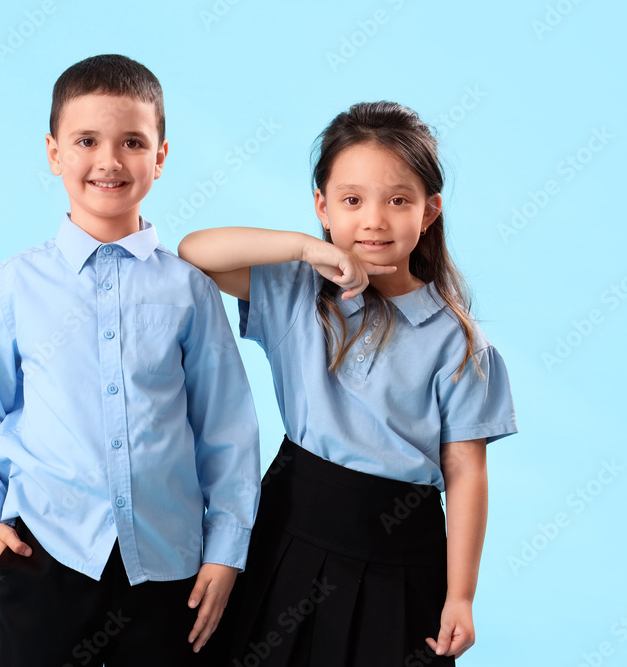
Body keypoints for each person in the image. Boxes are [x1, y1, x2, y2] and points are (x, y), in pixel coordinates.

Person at [0, 54, 260, 666]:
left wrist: (225, 551)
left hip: (172, 570)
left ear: (160, 157)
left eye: (132, 142)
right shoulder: (14, 285)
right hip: (47, 559)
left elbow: (228, 428)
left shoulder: (189, 288)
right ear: (55, 153)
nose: (109, 160)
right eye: (87, 140)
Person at [178, 101, 517, 666]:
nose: (374, 220)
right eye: (352, 200)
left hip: (400, 550)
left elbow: (465, 472)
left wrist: (461, 596)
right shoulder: (294, 291)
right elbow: (196, 252)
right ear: (323, 206)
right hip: (287, 524)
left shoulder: (458, 342)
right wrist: (307, 248)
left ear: (429, 211)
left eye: (398, 200)